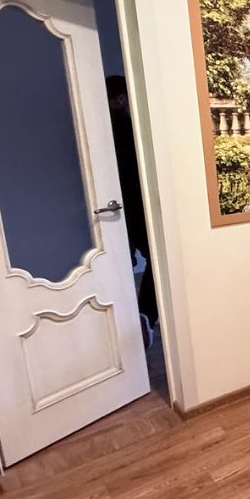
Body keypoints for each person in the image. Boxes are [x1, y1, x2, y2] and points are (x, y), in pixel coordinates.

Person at [105, 75, 157, 347]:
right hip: (136, 206)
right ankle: (144, 317)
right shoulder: (127, 128)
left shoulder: (101, 129)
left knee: (122, 264)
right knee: (156, 260)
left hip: (116, 207)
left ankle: (125, 321)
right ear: (121, 99)